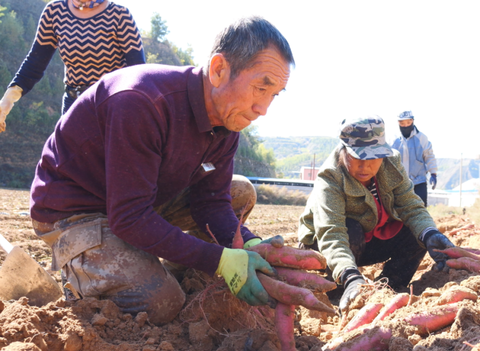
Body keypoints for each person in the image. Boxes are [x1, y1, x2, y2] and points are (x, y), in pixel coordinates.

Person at [28, 16, 294, 324]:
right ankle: (84, 280)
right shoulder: (141, 101)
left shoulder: (227, 123)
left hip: (139, 200)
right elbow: (129, 216)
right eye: (261, 87)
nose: (263, 109)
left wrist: (247, 242)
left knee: (240, 193)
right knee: (161, 304)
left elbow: (212, 202)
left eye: (273, 94)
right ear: (220, 69)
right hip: (75, 212)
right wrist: (218, 260)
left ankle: (164, 270)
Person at [298, 116, 455, 315]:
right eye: (358, 157)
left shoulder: (391, 162)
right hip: (325, 247)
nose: (365, 167)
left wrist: (431, 234)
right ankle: (339, 294)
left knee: (417, 231)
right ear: (344, 150)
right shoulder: (330, 178)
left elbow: (411, 205)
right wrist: (350, 276)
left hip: (367, 239)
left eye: (373, 158)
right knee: (351, 229)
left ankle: (388, 289)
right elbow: (332, 234)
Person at [0, 0, 146, 133]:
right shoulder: (55, 11)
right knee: (65, 160)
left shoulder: (120, 15)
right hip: (74, 105)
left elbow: (139, 74)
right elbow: (35, 63)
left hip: (112, 108)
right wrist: (6, 103)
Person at [390, 110, 438, 206]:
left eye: (408, 122)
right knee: (398, 211)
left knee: (420, 208)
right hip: (399, 183)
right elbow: (386, 160)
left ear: (413, 121)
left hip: (419, 181)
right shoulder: (393, 140)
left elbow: (429, 156)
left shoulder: (422, 138)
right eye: (402, 123)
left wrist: (433, 173)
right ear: (398, 123)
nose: (405, 125)